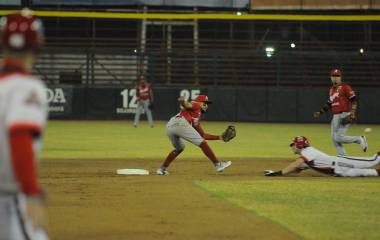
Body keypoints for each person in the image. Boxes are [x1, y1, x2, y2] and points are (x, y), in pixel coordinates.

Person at [0, 11, 49, 240]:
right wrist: (31, 192)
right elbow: (19, 138)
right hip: (8, 199)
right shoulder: (26, 87)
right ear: (37, 43)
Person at [157, 95, 232, 175]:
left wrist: (220, 137)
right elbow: (187, 105)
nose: (206, 105)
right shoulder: (196, 104)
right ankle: (218, 164)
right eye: (205, 103)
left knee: (180, 148)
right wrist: (183, 101)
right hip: (180, 123)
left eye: (207, 104)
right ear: (199, 102)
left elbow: (202, 135)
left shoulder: (196, 118)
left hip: (170, 127)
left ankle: (162, 169)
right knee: (202, 143)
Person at [264, 136, 380, 177]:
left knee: (373, 160)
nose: (292, 147)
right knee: (369, 173)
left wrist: (279, 173)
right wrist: (276, 172)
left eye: (293, 144)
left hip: (340, 162)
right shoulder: (307, 156)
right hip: (339, 172)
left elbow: (296, 164)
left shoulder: (308, 151)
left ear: (300, 145)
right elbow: (295, 169)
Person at [313, 68, 367, 156]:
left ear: (340, 77)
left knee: (338, 137)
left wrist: (352, 113)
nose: (335, 78)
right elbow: (329, 103)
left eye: (337, 76)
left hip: (345, 114)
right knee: (334, 139)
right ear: (331, 77)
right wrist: (320, 112)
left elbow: (354, 100)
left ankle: (359, 139)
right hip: (335, 116)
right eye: (333, 76)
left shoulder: (345, 87)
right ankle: (343, 158)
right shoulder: (331, 90)